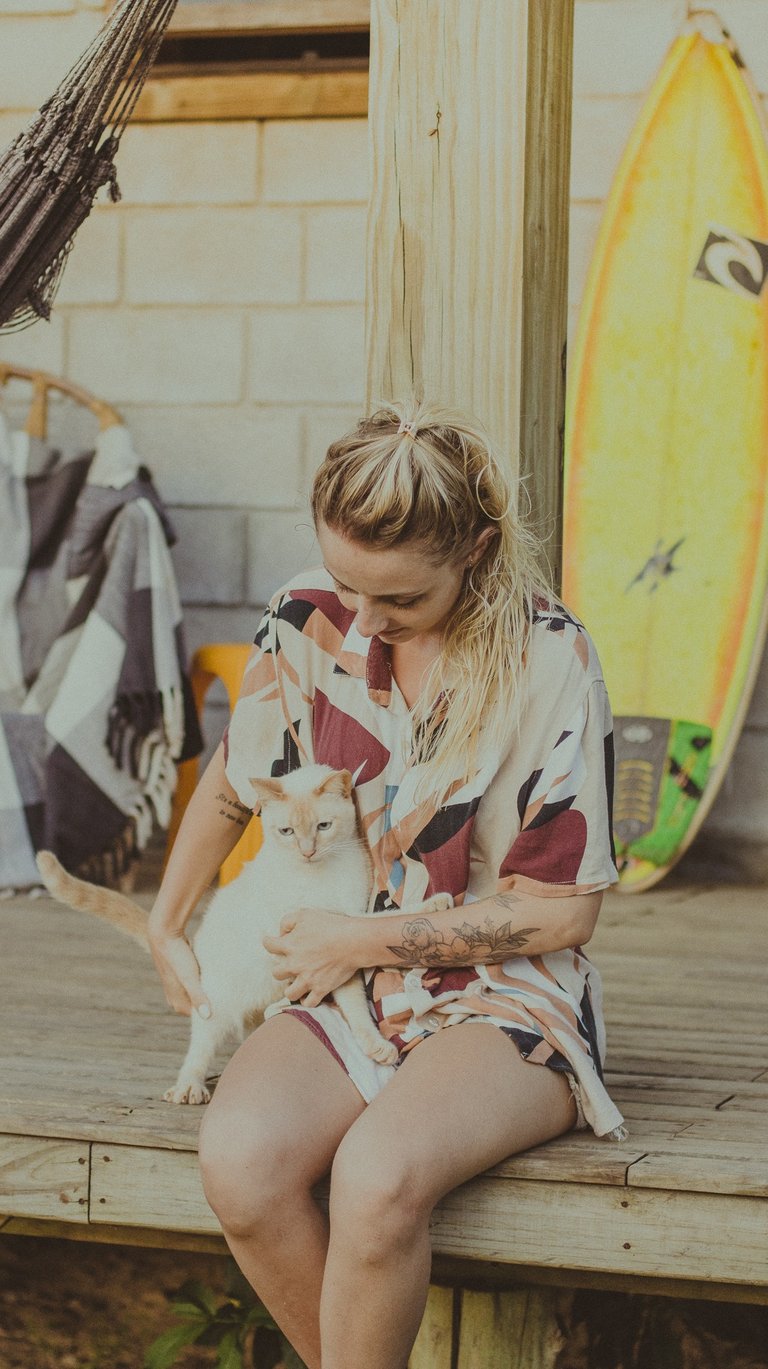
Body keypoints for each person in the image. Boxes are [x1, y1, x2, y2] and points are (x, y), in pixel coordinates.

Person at [148, 401, 625, 1369]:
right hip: (343, 982)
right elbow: (240, 777)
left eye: (399, 598)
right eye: (346, 583)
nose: (363, 619)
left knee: (375, 1176)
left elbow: (563, 910)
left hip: (503, 992)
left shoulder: (552, 658)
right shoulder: (305, 614)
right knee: (241, 1162)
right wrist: (167, 920)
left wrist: (360, 940)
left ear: (477, 552)